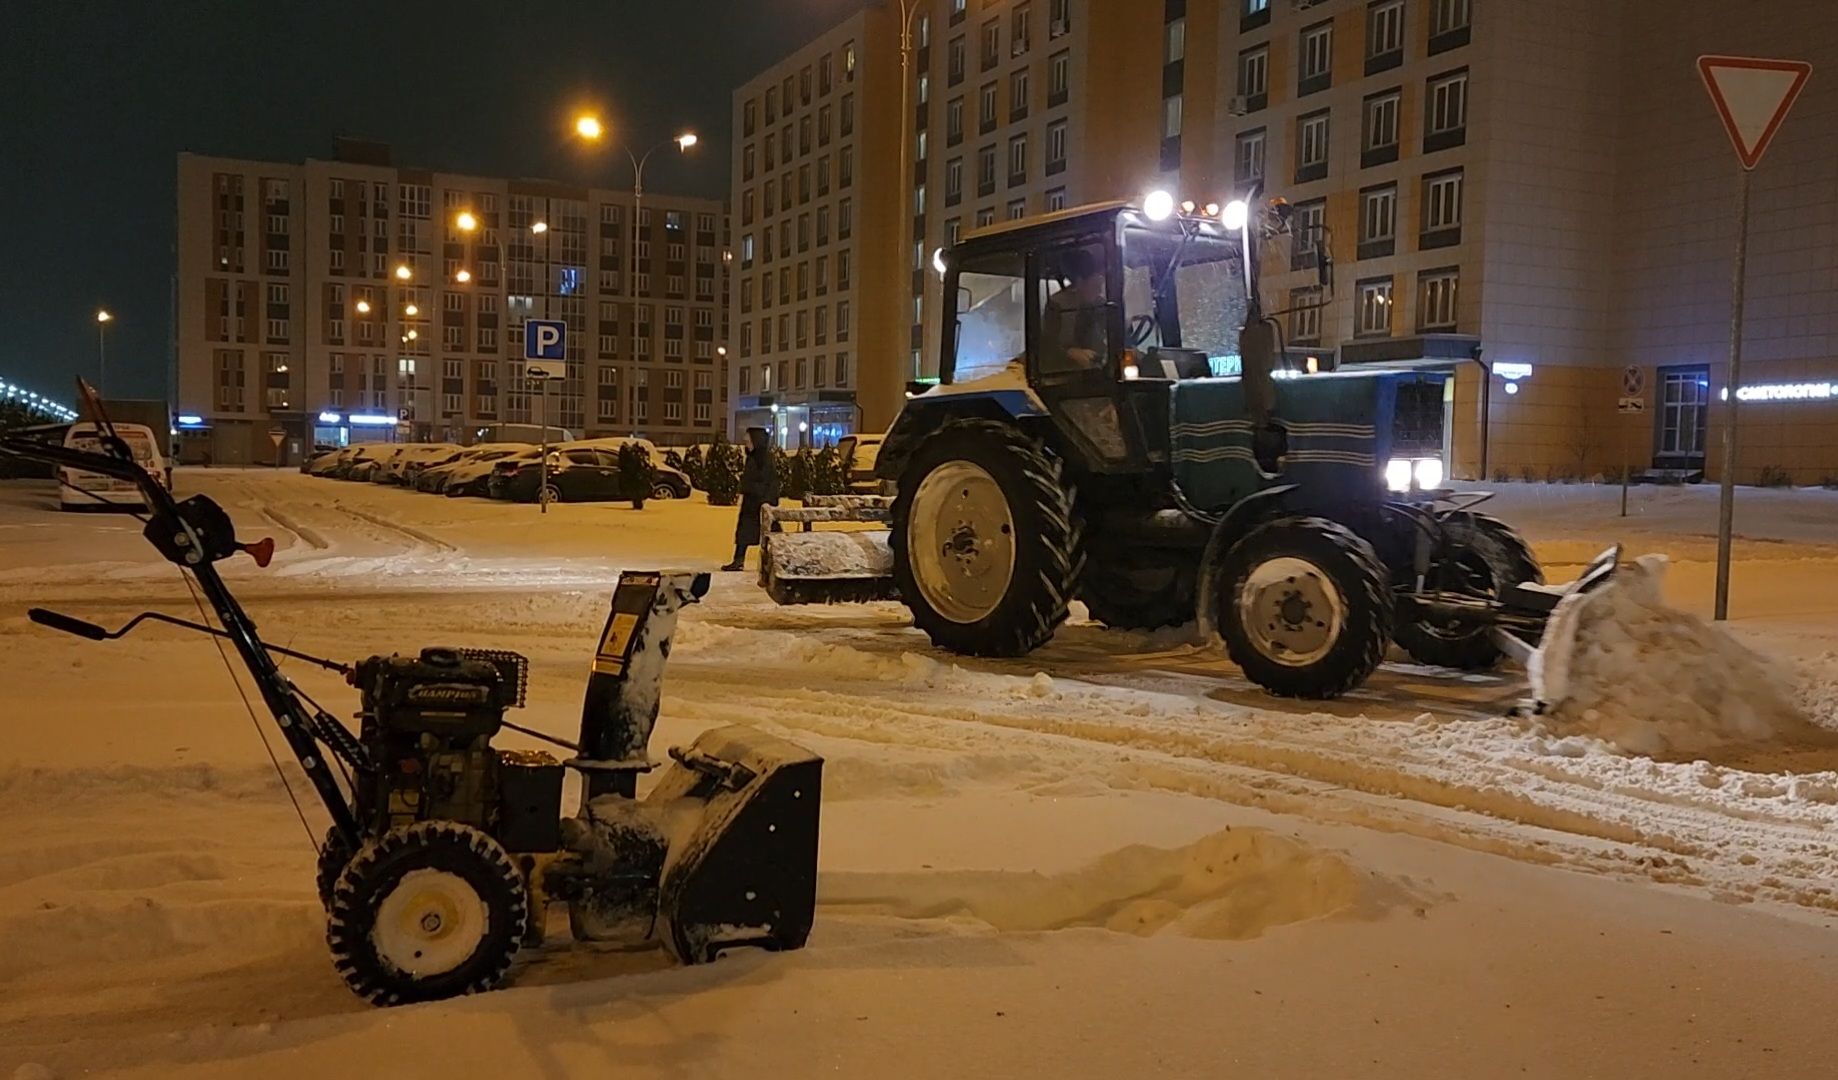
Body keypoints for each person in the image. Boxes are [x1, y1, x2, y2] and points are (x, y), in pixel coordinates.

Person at [1039, 247, 1109, 371]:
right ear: (1079, 281)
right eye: (1095, 284)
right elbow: (1047, 345)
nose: (1099, 290)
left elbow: (1112, 334)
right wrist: (1070, 352)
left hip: (1101, 367)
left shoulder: (1102, 305)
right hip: (1065, 373)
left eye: (1100, 284)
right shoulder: (1057, 305)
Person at [723, 426, 780, 571]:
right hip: (752, 502)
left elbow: (769, 481)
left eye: (747, 437)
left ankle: (778, 562)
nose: (745, 440)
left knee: (772, 535)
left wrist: (755, 491)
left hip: (761, 503)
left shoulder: (763, 459)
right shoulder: (753, 457)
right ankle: (738, 560)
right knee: (745, 532)